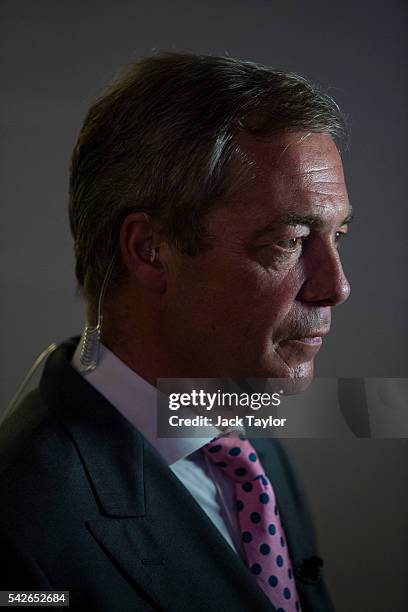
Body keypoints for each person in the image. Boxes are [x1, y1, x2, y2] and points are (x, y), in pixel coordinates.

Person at [0, 52, 352, 611]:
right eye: (290, 241)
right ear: (150, 251)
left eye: (338, 235)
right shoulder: (20, 522)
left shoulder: (251, 444)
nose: (335, 286)